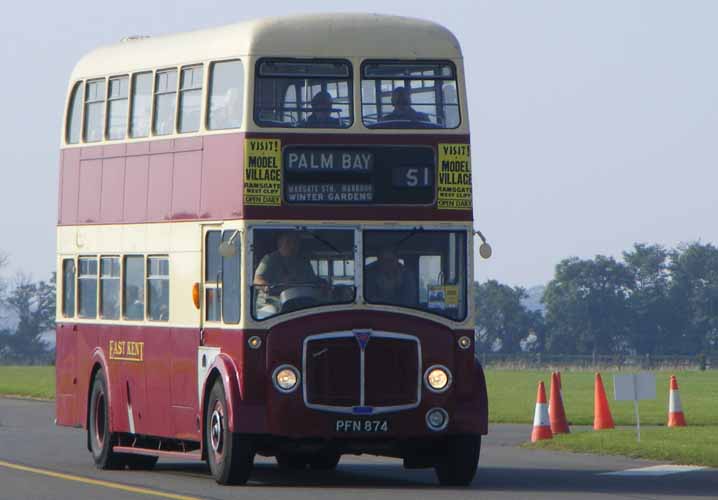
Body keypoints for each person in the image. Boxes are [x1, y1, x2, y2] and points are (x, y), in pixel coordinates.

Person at [253, 231, 319, 292]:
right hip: (271, 301)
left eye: (295, 242)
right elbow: (257, 280)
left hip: (298, 300)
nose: (292, 246)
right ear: (280, 244)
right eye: (288, 242)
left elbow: (312, 282)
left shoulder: (304, 262)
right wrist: (267, 287)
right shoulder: (269, 259)